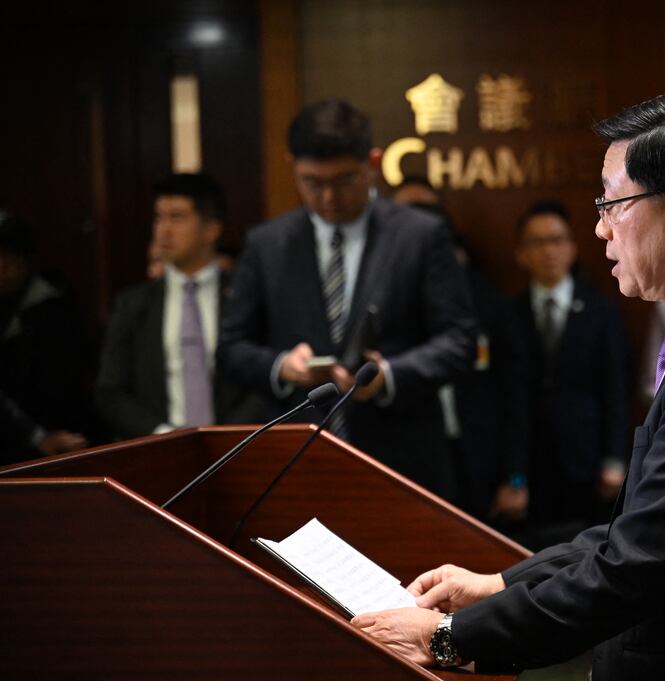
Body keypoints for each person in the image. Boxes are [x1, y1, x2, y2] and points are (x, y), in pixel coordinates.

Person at [352, 90, 665, 680]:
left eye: (613, 203)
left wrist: (447, 637)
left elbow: (635, 565)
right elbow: (639, 527)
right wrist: (501, 583)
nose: (599, 228)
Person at [217, 99, 476, 499]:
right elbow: (231, 347)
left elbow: (459, 340)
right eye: (312, 182)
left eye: (343, 180)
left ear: (372, 162)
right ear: (292, 166)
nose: (328, 198)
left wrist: (388, 376)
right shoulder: (266, 244)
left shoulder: (420, 235)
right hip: (298, 463)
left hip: (401, 460)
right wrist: (282, 366)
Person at [390, 177, 531, 526]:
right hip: (409, 463)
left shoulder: (488, 305)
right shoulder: (386, 307)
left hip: (480, 462)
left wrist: (515, 476)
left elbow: (516, 395)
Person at [94, 173, 265, 439]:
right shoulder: (134, 304)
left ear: (211, 229)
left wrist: (225, 436)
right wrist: (162, 434)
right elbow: (111, 390)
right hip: (157, 448)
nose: (163, 230)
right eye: (159, 218)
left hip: (236, 445)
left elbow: (263, 379)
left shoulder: (244, 295)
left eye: (177, 218)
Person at [512, 199, 631, 548]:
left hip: (588, 458)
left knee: (587, 549)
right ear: (521, 253)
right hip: (532, 460)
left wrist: (614, 457)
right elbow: (508, 396)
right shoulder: (508, 313)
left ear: (573, 248)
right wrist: (512, 474)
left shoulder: (602, 310)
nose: (549, 250)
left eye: (557, 240)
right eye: (538, 242)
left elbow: (616, 389)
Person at [0, 210, 93, 450]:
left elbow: (62, 394)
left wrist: (37, 437)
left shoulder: (52, 313)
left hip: (42, 449)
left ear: (16, 263)